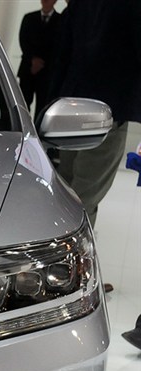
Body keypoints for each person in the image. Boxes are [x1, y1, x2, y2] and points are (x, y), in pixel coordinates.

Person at [48, 0, 141, 226]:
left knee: (65, 186)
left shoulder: (79, 5)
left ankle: (53, 238)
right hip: (108, 110)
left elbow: (61, 57)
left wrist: (52, 105)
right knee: (85, 197)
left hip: (71, 107)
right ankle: (72, 246)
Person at [17, 0, 61, 119]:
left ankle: (37, 128)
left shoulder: (61, 20)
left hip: (47, 72)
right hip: (28, 68)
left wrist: (42, 62)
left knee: (43, 107)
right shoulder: (29, 18)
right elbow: (23, 41)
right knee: (22, 103)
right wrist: (32, 59)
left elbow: (59, 45)